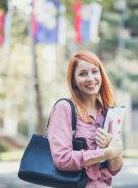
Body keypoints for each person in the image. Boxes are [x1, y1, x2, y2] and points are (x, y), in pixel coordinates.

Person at [48, 51, 123, 188]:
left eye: (94, 71)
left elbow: (114, 169)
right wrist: (106, 152)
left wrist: (113, 148)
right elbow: (62, 159)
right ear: (74, 81)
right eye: (82, 74)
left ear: (101, 75)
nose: (90, 78)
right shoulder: (64, 108)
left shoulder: (107, 112)